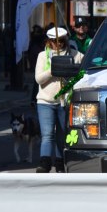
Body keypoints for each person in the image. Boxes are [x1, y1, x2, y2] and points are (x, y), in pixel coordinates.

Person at [35, 27, 84, 173]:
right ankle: (44, 163)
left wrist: (71, 72)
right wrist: (53, 70)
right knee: (47, 134)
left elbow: (82, 75)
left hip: (65, 101)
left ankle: (60, 162)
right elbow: (39, 79)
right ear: (49, 42)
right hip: (46, 101)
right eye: (55, 41)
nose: (59, 44)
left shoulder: (76, 55)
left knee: (62, 134)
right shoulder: (43, 56)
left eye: (62, 40)